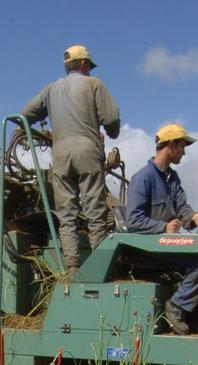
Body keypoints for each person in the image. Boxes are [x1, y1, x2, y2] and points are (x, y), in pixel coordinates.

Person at [21, 45, 121, 273]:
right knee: (95, 211)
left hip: (61, 155)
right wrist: (112, 131)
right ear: (84, 64)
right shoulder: (94, 84)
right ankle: (99, 269)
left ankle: (71, 268)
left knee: (67, 216)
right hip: (87, 150)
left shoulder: (51, 89)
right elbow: (112, 117)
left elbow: (25, 114)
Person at [124, 123, 198, 335]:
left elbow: (182, 208)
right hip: (148, 251)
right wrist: (163, 227)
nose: (184, 152)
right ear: (171, 145)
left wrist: (194, 217)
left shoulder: (172, 178)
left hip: (167, 246)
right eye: (182, 146)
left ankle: (192, 310)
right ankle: (176, 307)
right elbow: (133, 220)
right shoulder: (143, 178)